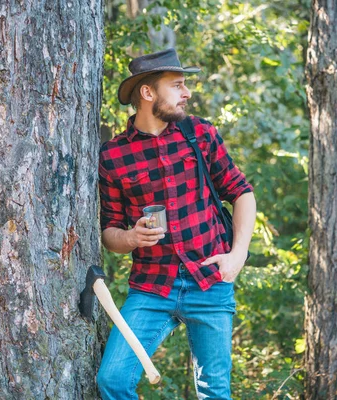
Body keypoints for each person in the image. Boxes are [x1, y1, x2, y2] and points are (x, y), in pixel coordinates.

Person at [97, 48, 256, 399]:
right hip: (152, 287)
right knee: (113, 380)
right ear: (148, 92)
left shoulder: (198, 133)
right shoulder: (112, 155)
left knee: (214, 392)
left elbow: (242, 192)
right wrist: (131, 237)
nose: (187, 93)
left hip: (210, 280)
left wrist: (237, 256)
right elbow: (109, 232)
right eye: (178, 85)